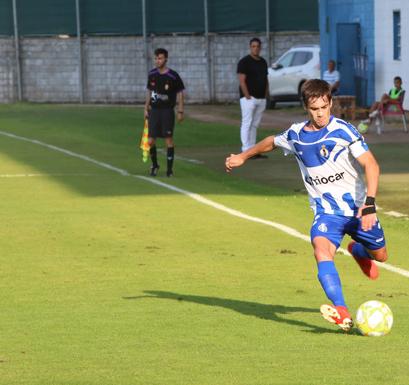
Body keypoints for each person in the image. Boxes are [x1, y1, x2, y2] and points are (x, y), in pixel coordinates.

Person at [225, 79, 389, 331]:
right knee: (321, 250)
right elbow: (271, 141)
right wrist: (243, 156)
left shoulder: (344, 130)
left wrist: (369, 204)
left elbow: (372, 165)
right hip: (326, 212)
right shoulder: (296, 134)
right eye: (314, 109)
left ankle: (358, 250)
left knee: (381, 256)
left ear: (331, 103)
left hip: (357, 210)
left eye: (324, 107)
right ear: (306, 108)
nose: (320, 113)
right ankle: (342, 310)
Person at [144, 48, 185, 177]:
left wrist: (180, 111)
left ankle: (169, 170)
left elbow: (180, 93)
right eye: (156, 58)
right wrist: (146, 107)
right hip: (154, 111)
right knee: (150, 141)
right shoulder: (152, 74)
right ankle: (155, 165)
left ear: (166, 59)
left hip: (167, 111)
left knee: (168, 140)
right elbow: (149, 92)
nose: (157, 61)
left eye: (160, 58)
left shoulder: (173, 75)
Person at [237, 37, 269, 159]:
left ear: (260, 48)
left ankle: (253, 150)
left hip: (261, 98)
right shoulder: (244, 62)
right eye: (253, 46)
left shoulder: (263, 62)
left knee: (255, 124)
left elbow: (266, 79)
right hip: (249, 99)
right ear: (250, 47)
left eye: (257, 46)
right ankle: (245, 150)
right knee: (247, 123)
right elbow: (242, 80)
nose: (256, 48)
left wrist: (266, 95)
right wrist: (247, 96)